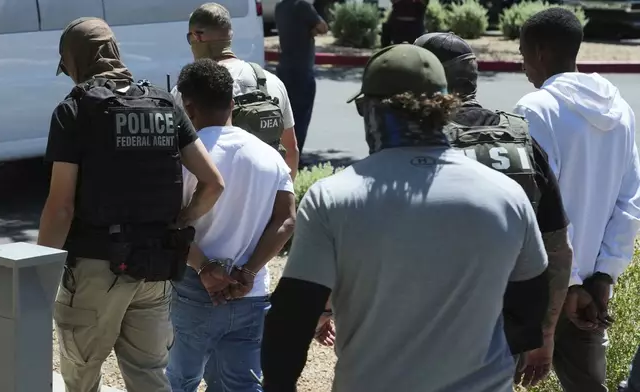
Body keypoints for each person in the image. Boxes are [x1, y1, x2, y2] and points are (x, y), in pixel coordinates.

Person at [260, 44, 550, 392]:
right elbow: (531, 308)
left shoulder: (334, 198)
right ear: (445, 107)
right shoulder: (506, 196)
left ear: (370, 111)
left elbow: (292, 319)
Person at [40, 18, 225, 392]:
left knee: (81, 378)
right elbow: (213, 183)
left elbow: (61, 207)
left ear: (76, 60)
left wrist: (36, 275)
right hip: (155, 269)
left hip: (96, 269)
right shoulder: (162, 103)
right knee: (149, 377)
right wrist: (181, 219)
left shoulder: (74, 110)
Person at [414, 32, 573, 387]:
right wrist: (544, 335)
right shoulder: (520, 139)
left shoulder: (417, 144)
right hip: (506, 331)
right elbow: (558, 249)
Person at [514, 8, 640, 392]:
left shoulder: (535, 110)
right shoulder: (621, 109)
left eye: (521, 55)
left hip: (539, 288)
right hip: (591, 296)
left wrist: (565, 286)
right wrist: (602, 276)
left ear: (538, 51)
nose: (523, 67)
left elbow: (534, 207)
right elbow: (630, 202)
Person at [165, 58, 296, 392]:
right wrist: (249, 271)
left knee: (179, 381)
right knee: (241, 384)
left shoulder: (183, 158)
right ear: (232, 103)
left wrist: (205, 267)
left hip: (195, 289)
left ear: (188, 107)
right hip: (250, 291)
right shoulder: (270, 156)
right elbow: (286, 220)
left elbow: (169, 223)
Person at [171, 3, 300, 179]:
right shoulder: (272, 82)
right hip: (266, 198)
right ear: (230, 35)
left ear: (196, 36)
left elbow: (176, 155)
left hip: (214, 201)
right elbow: (291, 149)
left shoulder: (188, 89)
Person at [275, 0, 329, 159]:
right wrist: (311, 30)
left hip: (284, 68)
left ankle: (283, 153)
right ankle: (295, 157)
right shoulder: (303, 6)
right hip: (302, 69)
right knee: (301, 116)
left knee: (285, 116)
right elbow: (323, 27)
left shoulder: (280, 7)